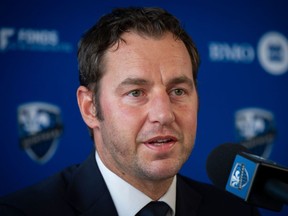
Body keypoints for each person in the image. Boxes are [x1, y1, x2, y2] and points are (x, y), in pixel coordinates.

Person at [0, 7, 260, 216]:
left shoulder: (235, 210)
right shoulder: (22, 211)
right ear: (90, 108)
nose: (164, 114)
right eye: (136, 93)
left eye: (178, 91)